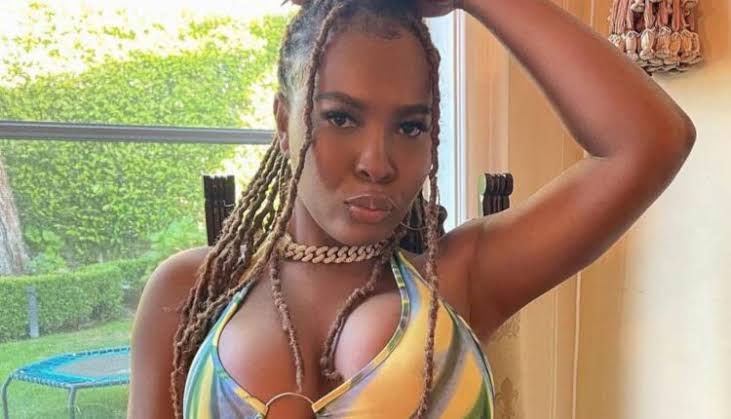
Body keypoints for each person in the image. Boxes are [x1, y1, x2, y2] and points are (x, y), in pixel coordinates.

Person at [127, 0, 696, 418]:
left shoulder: (460, 277)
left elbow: (651, 142)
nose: (377, 162)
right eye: (340, 117)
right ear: (283, 120)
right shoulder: (192, 289)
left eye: (410, 126)